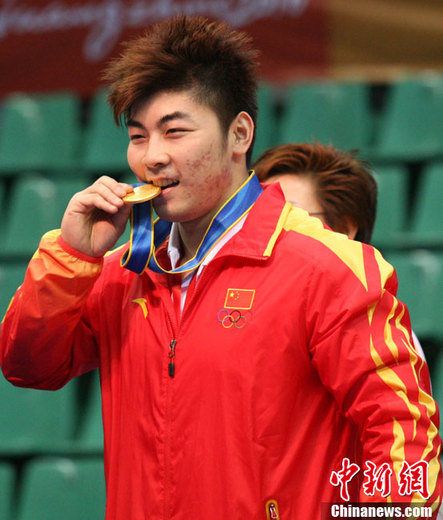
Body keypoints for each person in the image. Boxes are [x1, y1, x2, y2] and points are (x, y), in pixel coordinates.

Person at [0, 15, 441, 520]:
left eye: (175, 131)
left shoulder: (328, 268)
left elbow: (403, 435)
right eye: (139, 136)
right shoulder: (123, 273)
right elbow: (28, 366)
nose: (152, 157)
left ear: (239, 133)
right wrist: (72, 255)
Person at [253, 141, 428, 361]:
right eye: (257, 215)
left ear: (344, 230)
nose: (267, 229)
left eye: (288, 216)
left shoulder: (381, 332)